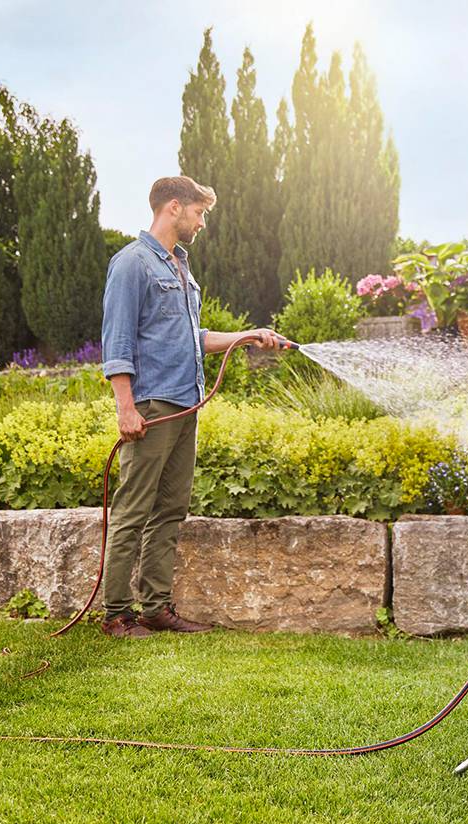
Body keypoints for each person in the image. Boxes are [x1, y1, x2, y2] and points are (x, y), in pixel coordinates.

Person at [99, 175, 287, 638]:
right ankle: (117, 614)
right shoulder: (132, 264)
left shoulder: (182, 269)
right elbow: (117, 341)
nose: (202, 223)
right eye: (199, 212)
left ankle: (156, 608)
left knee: (170, 509)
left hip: (186, 405)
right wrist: (126, 407)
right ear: (174, 207)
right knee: (133, 509)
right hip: (153, 405)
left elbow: (194, 339)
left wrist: (247, 336)